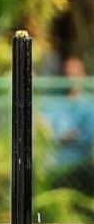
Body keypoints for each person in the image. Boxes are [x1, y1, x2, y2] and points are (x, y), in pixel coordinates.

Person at [40, 56, 94, 195]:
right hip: (54, 165)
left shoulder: (89, 105)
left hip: (81, 167)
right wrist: (61, 137)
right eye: (67, 75)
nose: (70, 79)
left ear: (83, 75)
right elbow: (45, 130)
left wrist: (71, 137)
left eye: (74, 74)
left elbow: (88, 135)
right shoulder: (54, 104)